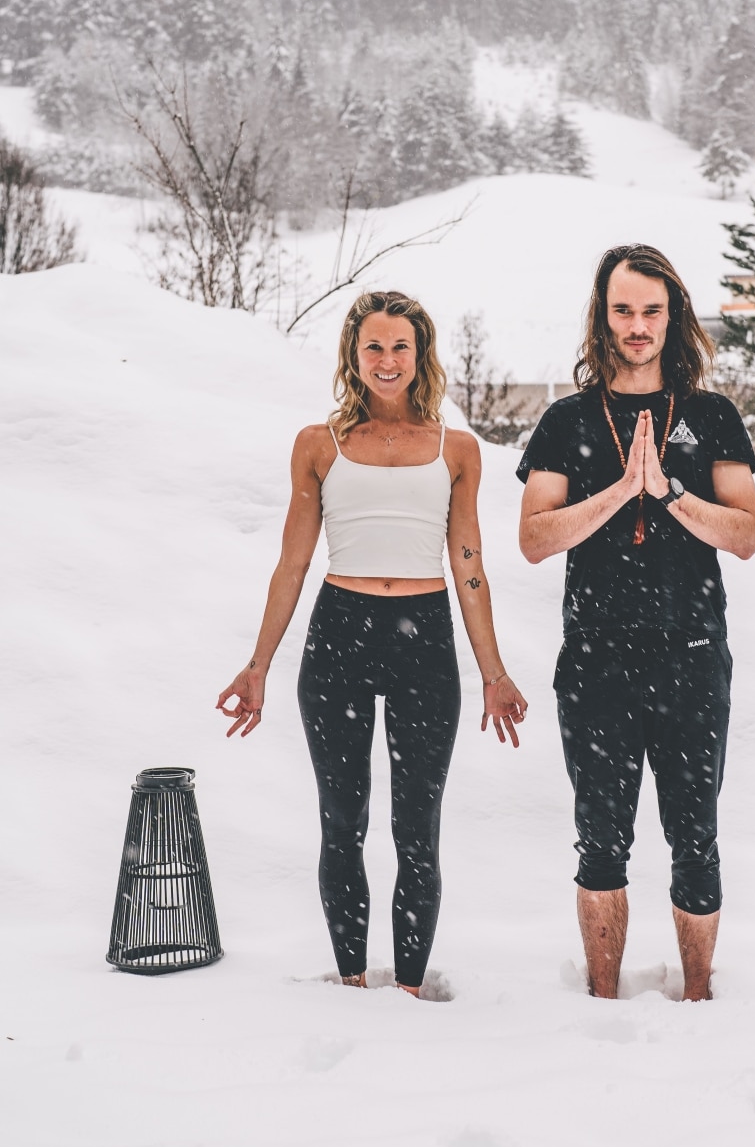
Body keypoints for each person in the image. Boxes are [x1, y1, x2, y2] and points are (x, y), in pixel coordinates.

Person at [217, 289, 527, 997]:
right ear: (353, 358)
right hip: (339, 639)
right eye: (374, 348)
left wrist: (494, 673)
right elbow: (293, 562)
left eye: (400, 348)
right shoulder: (317, 445)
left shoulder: (457, 451)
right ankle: (353, 981)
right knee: (342, 820)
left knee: (417, 827)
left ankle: (412, 989)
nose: (387, 362)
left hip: (426, 643)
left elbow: (469, 566)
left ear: (421, 358)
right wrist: (258, 665)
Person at [517, 245, 755, 1001]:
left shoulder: (712, 416)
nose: (637, 325)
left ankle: (699, 997)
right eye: (623, 310)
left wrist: (671, 495)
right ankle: (600, 1001)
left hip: (692, 657)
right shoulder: (566, 421)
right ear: (603, 317)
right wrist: (623, 490)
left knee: (696, 842)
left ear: (673, 317)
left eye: (652, 310)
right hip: (596, 663)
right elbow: (533, 538)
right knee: (601, 843)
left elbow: (746, 534)